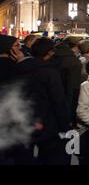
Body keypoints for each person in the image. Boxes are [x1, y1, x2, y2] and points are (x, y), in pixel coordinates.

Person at [19, 37, 70, 165]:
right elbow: (58, 100)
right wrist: (64, 125)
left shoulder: (20, 68)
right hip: (47, 122)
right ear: (50, 52)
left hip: (24, 119)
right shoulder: (50, 72)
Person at [54, 36, 83, 125]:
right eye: (79, 47)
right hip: (66, 98)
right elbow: (73, 88)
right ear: (75, 47)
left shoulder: (54, 54)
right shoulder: (73, 61)